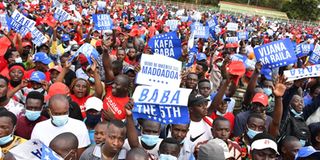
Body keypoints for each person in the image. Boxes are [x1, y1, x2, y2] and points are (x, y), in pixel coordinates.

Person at [102, 44, 130, 120]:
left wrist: (113, 119)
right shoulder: (110, 89)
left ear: (125, 88)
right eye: (114, 83)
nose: (113, 85)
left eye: (117, 85)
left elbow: (126, 129)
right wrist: (105, 52)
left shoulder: (129, 105)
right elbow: (107, 68)